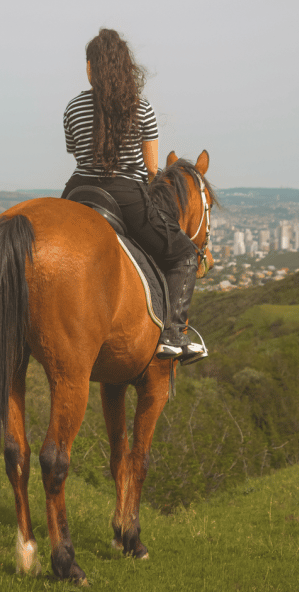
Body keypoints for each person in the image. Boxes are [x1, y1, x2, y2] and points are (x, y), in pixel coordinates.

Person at [61, 27, 204, 360]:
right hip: (126, 197)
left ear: (90, 67)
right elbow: (153, 169)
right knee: (183, 255)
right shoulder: (142, 109)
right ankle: (171, 334)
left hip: (78, 192)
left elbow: (74, 151)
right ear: (125, 67)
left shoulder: (72, 108)